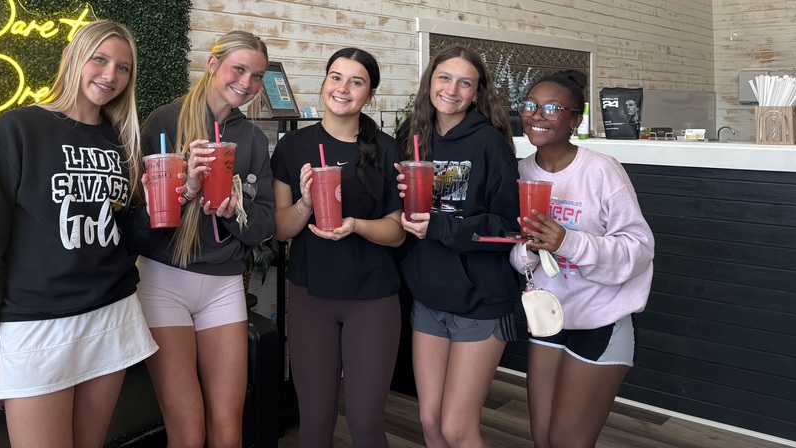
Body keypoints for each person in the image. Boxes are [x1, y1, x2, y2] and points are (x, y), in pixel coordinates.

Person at [0, 20, 158, 448]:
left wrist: (171, 204)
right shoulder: (19, 128)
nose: (110, 75)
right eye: (99, 59)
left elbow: (127, 237)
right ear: (72, 58)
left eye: (123, 68)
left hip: (111, 314)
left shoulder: (123, 142)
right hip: (36, 324)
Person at [136, 30, 276, 448]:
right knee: (187, 431)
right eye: (239, 69)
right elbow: (136, 218)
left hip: (224, 283)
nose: (247, 84)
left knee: (228, 428)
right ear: (213, 64)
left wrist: (235, 213)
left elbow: (265, 224)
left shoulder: (252, 139)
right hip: (164, 282)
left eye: (257, 76)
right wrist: (187, 189)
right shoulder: (164, 121)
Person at [514, 69, 655, 448]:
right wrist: (524, 249)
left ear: (575, 119)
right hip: (548, 317)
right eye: (531, 105)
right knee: (542, 437)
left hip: (600, 319)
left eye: (552, 108)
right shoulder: (520, 173)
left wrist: (567, 242)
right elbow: (517, 255)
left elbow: (639, 248)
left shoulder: (602, 170)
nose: (538, 115)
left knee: (567, 439)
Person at [272, 48, 405, 448]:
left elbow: (397, 233)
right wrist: (306, 204)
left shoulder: (386, 149)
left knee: (365, 425)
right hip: (311, 295)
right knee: (314, 424)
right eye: (335, 77)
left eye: (356, 81)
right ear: (324, 81)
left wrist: (355, 225)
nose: (342, 88)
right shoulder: (292, 147)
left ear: (370, 94)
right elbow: (280, 229)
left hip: (373, 298)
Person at [395, 44, 520, 448]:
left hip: (480, 302)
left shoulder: (489, 143)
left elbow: (507, 228)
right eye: (444, 77)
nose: (452, 89)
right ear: (430, 81)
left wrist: (440, 226)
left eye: (465, 82)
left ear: (477, 91)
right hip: (429, 297)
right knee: (430, 421)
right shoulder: (411, 137)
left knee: (457, 428)